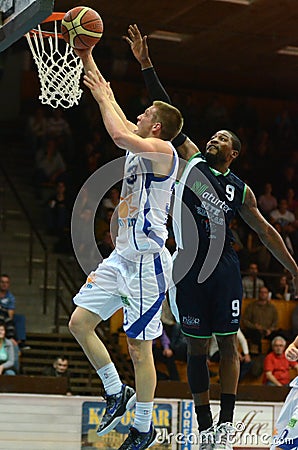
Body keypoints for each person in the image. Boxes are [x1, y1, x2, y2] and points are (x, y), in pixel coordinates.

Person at [124, 24, 298, 450]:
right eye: (214, 135)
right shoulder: (192, 161)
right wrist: (147, 65)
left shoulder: (240, 189)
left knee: (229, 348)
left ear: (233, 153)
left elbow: (266, 230)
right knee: (197, 352)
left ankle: (224, 426)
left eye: (223, 138)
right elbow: (168, 113)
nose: (214, 138)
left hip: (224, 268)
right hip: (187, 268)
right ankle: (204, 429)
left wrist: (294, 267)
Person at [68, 45, 183, 450]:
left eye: (145, 115)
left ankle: (143, 426)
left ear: (157, 127)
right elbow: (111, 100)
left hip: (148, 264)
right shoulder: (141, 143)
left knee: (139, 347)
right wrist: (87, 57)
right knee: (80, 323)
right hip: (121, 259)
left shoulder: (164, 152)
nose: (138, 117)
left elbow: (117, 129)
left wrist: (103, 98)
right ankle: (116, 392)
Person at [270, 335, 298, 450]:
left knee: (285, 442)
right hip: (296, 393)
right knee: (280, 434)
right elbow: (293, 346)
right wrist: (290, 352)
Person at [242, 286, 278, 354]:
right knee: (255, 334)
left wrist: (270, 329)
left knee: (278, 336)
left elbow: (275, 321)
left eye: (265, 292)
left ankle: (269, 355)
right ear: (258, 294)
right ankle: (256, 354)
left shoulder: (272, 308)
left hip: (267, 331)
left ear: (268, 294)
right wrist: (254, 327)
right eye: (261, 292)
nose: (263, 294)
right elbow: (245, 321)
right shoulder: (251, 306)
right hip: (254, 330)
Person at [0, 274, 28, 349]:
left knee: (20, 318)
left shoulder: (10, 297)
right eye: (2, 282)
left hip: (6, 316)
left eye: (6, 282)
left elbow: (10, 312)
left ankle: (20, 341)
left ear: (8, 284)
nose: (4, 284)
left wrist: (8, 319)